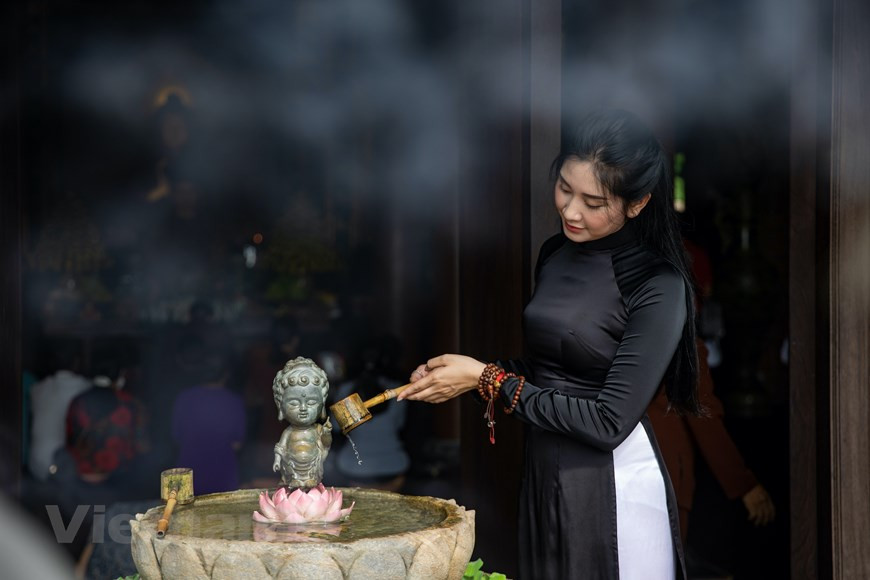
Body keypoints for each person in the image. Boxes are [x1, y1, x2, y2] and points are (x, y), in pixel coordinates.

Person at [399, 109, 700, 579]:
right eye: (564, 187)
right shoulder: (556, 253)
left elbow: (607, 422)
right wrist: (467, 374)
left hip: (612, 485)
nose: (570, 210)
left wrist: (488, 378)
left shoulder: (657, 284)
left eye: (593, 201)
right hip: (545, 468)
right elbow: (551, 367)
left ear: (638, 203)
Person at [648, 340, 775, 540]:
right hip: (667, 474)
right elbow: (704, 419)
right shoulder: (681, 340)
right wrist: (742, 483)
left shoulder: (626, 331)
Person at [171, 340, 246, 495]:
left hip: (189, 473)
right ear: (226, 374)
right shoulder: (233, 401)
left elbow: (177, 437)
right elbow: (237, 444)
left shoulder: (184, 398)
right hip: (223, 474)